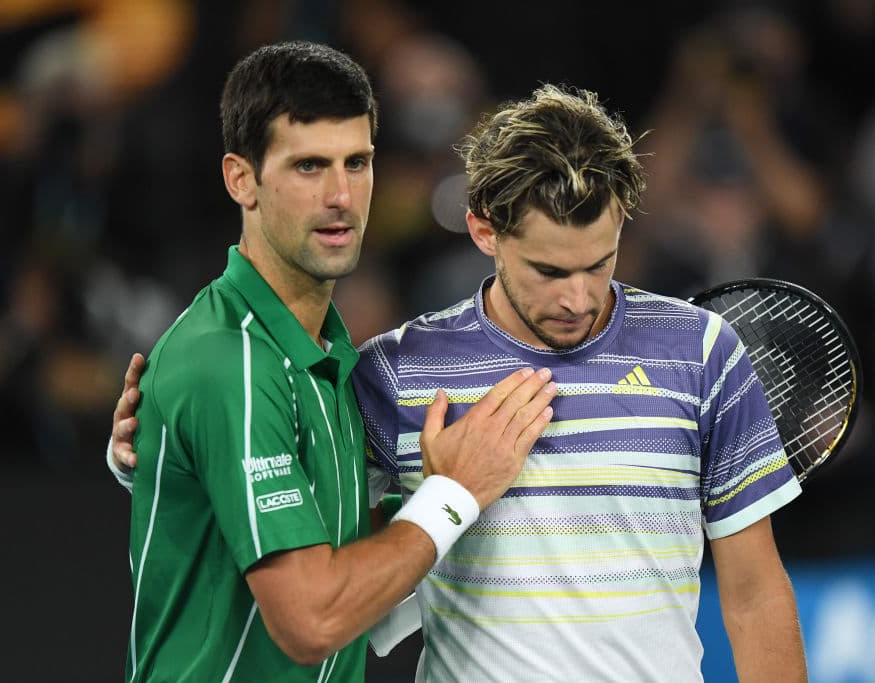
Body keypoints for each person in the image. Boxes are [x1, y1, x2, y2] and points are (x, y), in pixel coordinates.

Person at [113, 82, 806, 680]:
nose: (579, 297)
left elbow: (753, 593)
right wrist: (161, 451)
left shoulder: (704, 350)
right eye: (549, 271)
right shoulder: (393, 372)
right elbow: (294, 533)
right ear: (483, 230)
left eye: (600, 262)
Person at [111, 40, 556, 682]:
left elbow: (361, 599)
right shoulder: (230, 365)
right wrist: (454, 495)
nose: (342, 196)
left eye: (358, 162)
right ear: (242, 180)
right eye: (309, 166)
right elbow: (313, 622)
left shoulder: (324, 359)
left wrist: (435, 507)